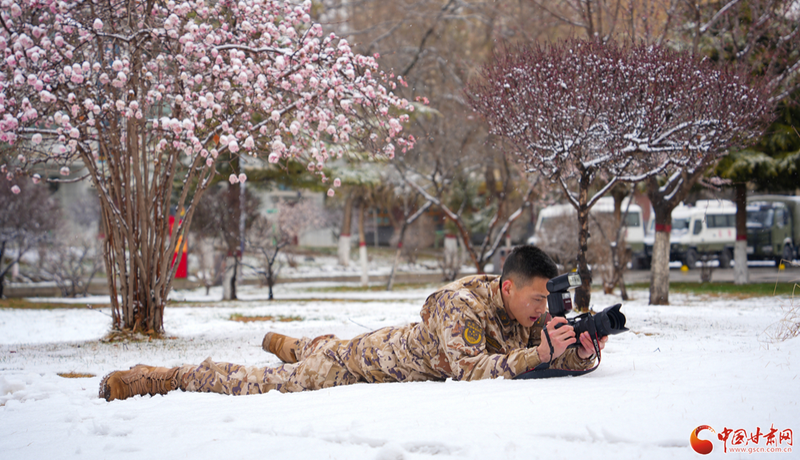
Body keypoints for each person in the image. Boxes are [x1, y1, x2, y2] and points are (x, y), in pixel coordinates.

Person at [100, 245, 608, 401]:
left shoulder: (528, 310)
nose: (543, 310)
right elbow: (471, 370)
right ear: (508, 288)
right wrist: (540, 353)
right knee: (267, 382)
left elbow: (540, 358)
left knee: (328, 346)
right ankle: (166, 377)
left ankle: (297, 343)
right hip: (359, 365)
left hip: (379, 346)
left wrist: (579, 353)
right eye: (537, 300)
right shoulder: (461, 306)